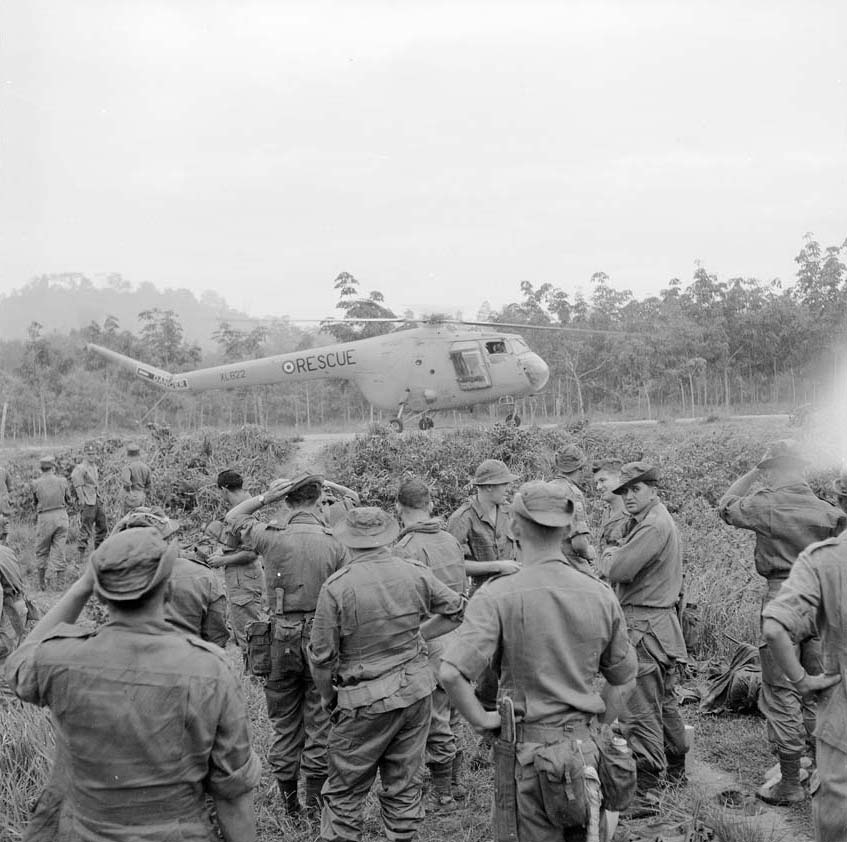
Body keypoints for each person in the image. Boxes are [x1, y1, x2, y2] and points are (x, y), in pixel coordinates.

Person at [5, 527, 262, 842]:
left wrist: (83, 585)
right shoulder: (210, 670)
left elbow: (18, 663)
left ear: (99, 596)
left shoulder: (61, 658)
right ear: (167, 590)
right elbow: (232, 795)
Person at [440, 481, 638, 842]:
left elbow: (451, 673)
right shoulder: (599, 593)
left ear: (514, 528)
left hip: (527, 754)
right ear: (566, 530)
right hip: (586, 748)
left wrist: (485, 720)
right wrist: (599, 724)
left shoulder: (497, 594)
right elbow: (624, 678)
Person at [308, 507, 465, 842]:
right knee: (405, 784)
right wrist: (419, 636)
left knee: (345, 791)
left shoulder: (337, 586)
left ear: (347, 540)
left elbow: (321, 658)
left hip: (363, 701)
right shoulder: (414, 572)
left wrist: (328, 697)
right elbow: (456, 611)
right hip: (415, 692)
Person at [718, 440, 846, 805]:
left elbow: (725, 506)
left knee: (780, 691)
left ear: (773, 470)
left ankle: (790, 780)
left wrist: (752, 474)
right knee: (820, 688)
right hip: (822, 599)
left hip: (783, 596)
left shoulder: (764, 503)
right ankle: (822, 772)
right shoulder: (828, 511)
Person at [226, 471, 348, 816]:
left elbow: (233, 519)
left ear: (289, 502)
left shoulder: (270, 536)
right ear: (316, 501)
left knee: (283, 722)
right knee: (320, 720)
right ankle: (313, 806)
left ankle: (290, 804)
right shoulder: (335, 541)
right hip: (321, 638)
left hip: (279, 637)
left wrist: (266, 496)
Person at [601, 462, 688, 801]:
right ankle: (676, 769)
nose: (628, 496)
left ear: (653, 489)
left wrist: (609, 554)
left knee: (639, 710)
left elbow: (619, 568)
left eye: (635, 489)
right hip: (658, 626)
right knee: (663, 703)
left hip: (643, 627)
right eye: (624, 491)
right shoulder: (653, 520)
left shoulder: (652, 525)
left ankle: (649, 791)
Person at [761, 533, 847, 842]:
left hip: (841, 729)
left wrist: (802, 682)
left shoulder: (826, 558)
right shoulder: (821, 516)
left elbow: (773, 629)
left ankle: (790, 779)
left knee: (781, 695)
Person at [394, 476, 468, 810]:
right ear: (431, 505)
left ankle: (444, 792)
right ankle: (454, 781)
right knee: (453, 710)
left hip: (430, 635)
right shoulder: (450, 539)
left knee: (435, 715)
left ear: (398, 508)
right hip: (459, 634)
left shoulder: (405, 548)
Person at [447, 459, 521, 712]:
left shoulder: (511, 512)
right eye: (503, 484)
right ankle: (486, 713)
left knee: (514, 653)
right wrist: (497, 566)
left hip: (514, 593)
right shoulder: (462, 518)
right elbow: (454, 564)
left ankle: (513, 709)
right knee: (486, 659)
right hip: (484, 596)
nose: (508, 489)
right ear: (488, 487)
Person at [112, 507, 229, 647]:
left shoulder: (117, 578)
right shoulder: (203, 577)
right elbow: (216, 637)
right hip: (187, 661)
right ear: (169, 538)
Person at [207, 469, 264, 661]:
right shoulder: (246, 504)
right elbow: (235, 542)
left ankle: (256, 676)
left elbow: (251, 552)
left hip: (245, 579)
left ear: (224, 489)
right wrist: (221, 552)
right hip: (241, 578)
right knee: (243, 628)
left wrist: (222, 560)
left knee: (250, 631)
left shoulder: (244, 509)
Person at [549, 444, 596, 567]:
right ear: (580, 468)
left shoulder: (547, 487)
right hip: (568, 562)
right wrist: (589, 553)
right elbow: (579, 543)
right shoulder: (573, 494)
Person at [32, 455, 72, 590]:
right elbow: (69, 500)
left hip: (44, 518)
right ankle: (60, 585)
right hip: (61, 516)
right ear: (53, 467)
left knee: (42, 550)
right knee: (60, 550)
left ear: (41, 469)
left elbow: (35, 503)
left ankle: (41, 584)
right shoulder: (62, 481)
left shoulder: (36, 483)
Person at [70, 444, 108, 564]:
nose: (92, 456)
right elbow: (77, 485)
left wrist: (99, 498)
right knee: (86, 529)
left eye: (93, 454)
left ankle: (98, 553)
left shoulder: (94, 467)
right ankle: (80, 558)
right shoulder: (80, 468)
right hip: (88, 502)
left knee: (102, 526)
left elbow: (95, 484)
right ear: (84, 455)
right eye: (89, 454)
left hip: (96, 500)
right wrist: (82, 501)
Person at [592, 458, 629, 557]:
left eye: (602, 480)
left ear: (619, 479)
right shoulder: (607, 513)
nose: (598, 487)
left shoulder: (632, 516)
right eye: (597, 483)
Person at [121, 443, 152, 514]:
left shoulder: (128, 467)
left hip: (131, 496)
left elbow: (126, 482)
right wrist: (143, 493)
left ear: (128, 455)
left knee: (128, 518)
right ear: (138, 455)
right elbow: (149, 485)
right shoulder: (146, 467)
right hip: (141, 495)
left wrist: (129, 492)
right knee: (140, 517)